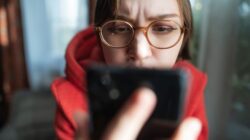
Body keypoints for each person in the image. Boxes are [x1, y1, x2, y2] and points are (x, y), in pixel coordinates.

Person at [51, 0, 208, 139]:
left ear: (184, 36)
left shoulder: (192, 87)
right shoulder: (68, 102)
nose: (140, 52)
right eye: (119, 28)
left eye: (162, 28)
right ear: (99, 38)